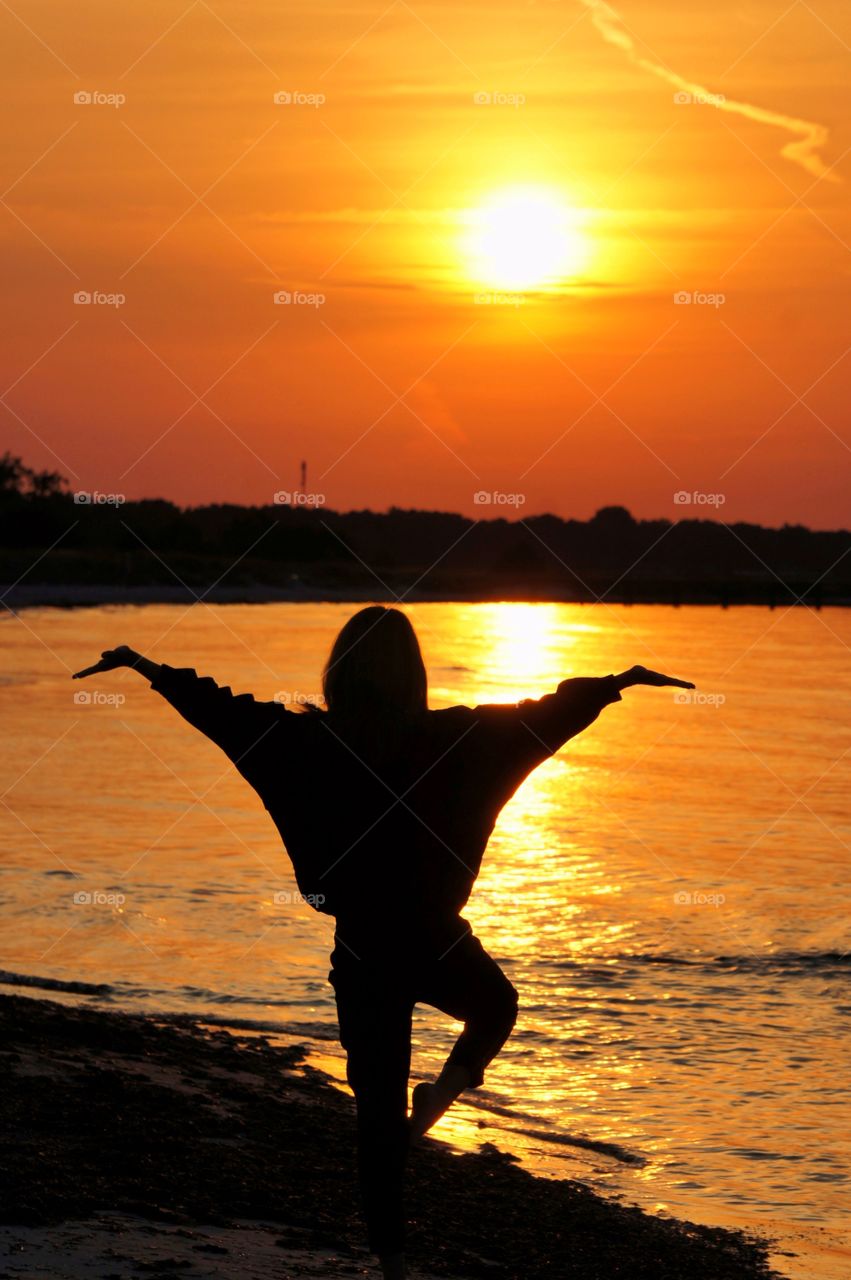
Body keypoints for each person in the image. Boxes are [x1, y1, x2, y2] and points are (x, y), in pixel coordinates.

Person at [73, 606, 694, 1280]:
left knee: (376, 1112)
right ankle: (446, 1092)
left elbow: (222, 710)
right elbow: (540, 715)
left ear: (339, 671)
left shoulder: (304, 742)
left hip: (364, 946)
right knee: (495, 1008)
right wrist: (613, 683)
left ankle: (392, 1266)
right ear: (413, 673)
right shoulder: (458, 738)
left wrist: (148, 669)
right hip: (431, 936)